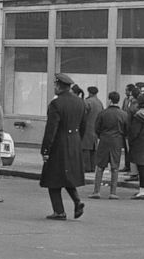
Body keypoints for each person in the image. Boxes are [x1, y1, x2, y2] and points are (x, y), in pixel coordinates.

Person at [40, 73, 86, 220]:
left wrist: (45, 149)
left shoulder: (56, 104)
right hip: (74, 141)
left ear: (60, 86)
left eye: (55, 85)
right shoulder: (80, 102)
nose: (54, 87)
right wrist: (77, 140)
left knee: (52, 179)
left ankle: (59, 211)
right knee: (68, 176)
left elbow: (51, 129)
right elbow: (84, 126)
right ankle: (77, 201)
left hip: (59, 144)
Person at [91, 91, 127, 199]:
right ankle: (113, 192)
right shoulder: (124, 114)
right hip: (117, 141)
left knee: (100, 166)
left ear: (109, 100)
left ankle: (96, 191)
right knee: (115, 167)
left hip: (104, 140)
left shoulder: (103, 113)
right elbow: (127, 130)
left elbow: (96, 128)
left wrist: (100, 135)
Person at [83, 86, 104, 172]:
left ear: (89, 92)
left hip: (87, 128)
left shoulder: (87, 102)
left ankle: (86, 167)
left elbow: (83, 114)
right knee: (94, 149)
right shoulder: (100, 103)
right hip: (96, 129)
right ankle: (93, 167)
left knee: (85, 149)